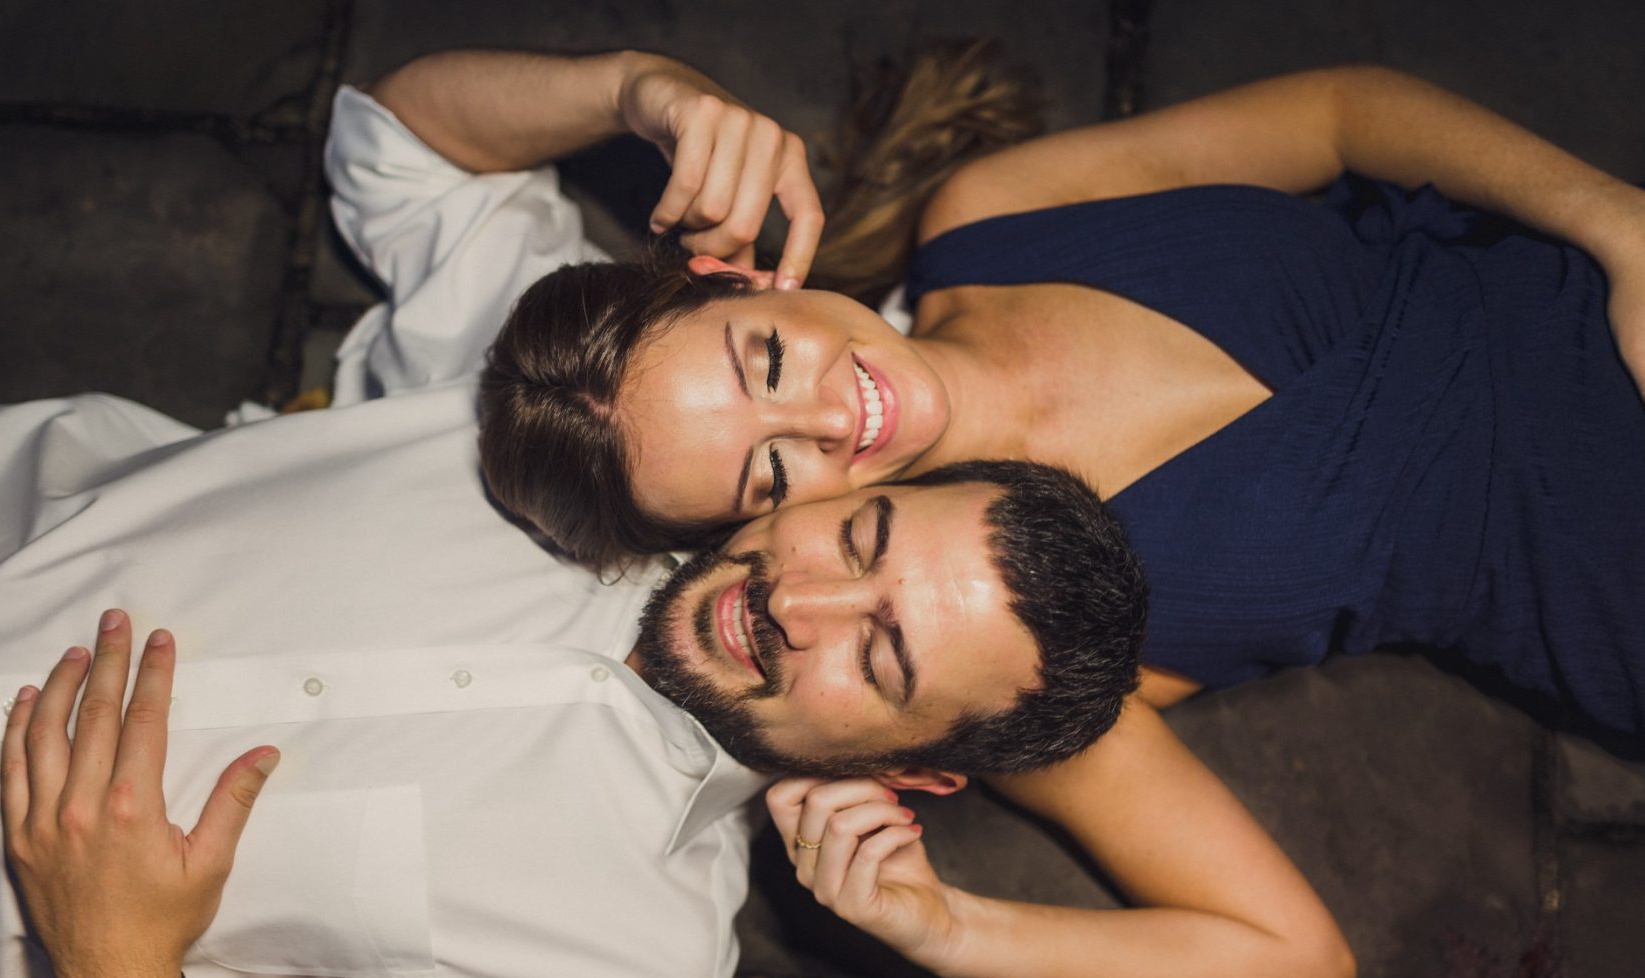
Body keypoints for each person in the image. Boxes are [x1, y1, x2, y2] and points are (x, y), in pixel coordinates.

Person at [0, 384, 1351, 978]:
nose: (793, 601)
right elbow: (406, 147)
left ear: (912, 770)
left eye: (879, 654)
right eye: (859, 539)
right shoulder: (617, 417)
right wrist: (638, 89)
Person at [432, 46, 1644, 742]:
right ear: (754, 528)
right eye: (769, 469)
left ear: (741, 273)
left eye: (764, 362)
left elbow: (1340, 113)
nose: (825, 418)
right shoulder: (1015, 619)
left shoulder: (993, 215)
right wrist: (931, 919)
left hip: (1589, 286)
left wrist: (1616, 227)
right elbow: (1281, 955)